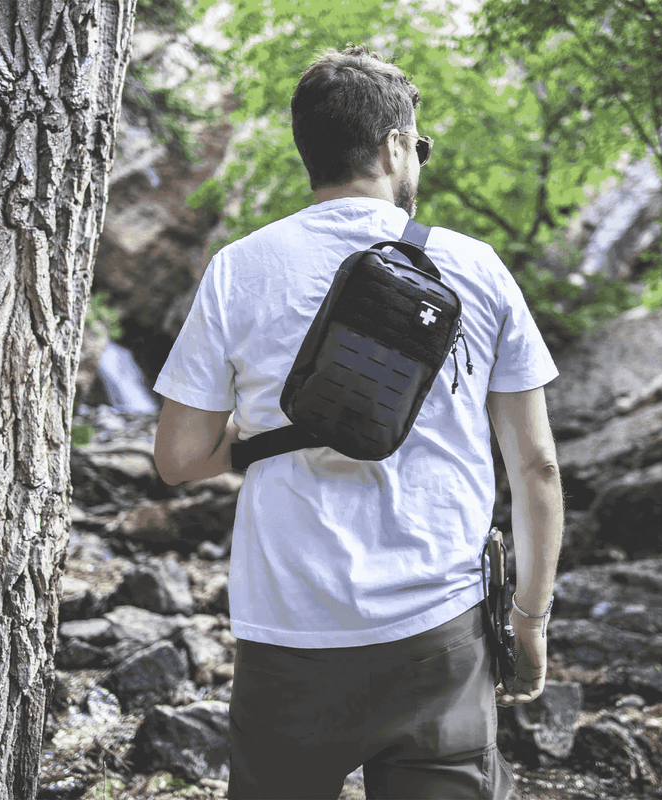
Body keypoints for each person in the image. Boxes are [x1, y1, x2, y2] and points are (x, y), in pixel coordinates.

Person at [153, 44, 563, 800]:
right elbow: (534, 466)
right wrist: (529, 620)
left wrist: (253, 443)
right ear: (393, 145)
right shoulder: (476, 268)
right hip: (439, 630)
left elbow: (177, 458)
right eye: (420, 145)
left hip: (287, 628)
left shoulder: (240, 267)